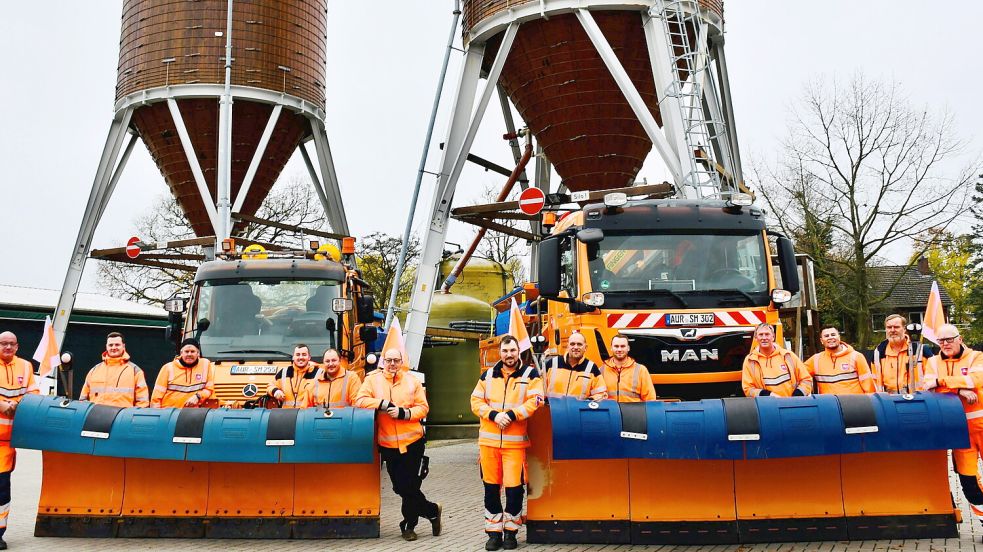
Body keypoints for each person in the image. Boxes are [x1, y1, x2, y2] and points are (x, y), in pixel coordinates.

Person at [355, 348, 440, 542]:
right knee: (400, 488)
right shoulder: (372, 380)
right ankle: (432, 511)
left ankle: (408, 526)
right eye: (389, 360)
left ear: (402, 362)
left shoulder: (412, 381)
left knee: (409, 485)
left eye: (396, 360)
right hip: (388, 445)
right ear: (382, 361)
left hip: (413, 443)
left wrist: (405, 414)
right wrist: (382, 404)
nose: (392, 364)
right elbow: (359, 400)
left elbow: (423, 408)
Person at [470, 336, 544, 551]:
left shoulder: (531, 375)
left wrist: (511, 414)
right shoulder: (488, 375)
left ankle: (511, 532)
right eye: (505, 351)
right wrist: (494, 415)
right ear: (500, 353)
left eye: (512, 350)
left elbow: (536, 400)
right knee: (490, 490)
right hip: (489, 444)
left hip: (514, 445)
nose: (509, 355)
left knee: (514, 491)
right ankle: (493, 533)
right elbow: (475, 401)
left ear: (518, 351)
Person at [921, 324, 983, 522]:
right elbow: (927, 387)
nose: (945, 344)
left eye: (949, 339)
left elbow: (975, 380)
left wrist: (941, 382)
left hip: (981, 425)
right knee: (968, 480)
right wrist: (958, 390)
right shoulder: (932, 361)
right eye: (941, 341)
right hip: (959, 432)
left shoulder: (976, 357)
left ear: (960, 338)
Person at [0, 332, 38, 549]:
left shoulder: (25, 366)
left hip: (6, 443)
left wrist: (17, 406)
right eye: (3, 343)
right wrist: (3, 406)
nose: (7, 347)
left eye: (11, 344)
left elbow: (33, 393)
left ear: (17, 346)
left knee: (2, 490)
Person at [79, 332, 149, 407]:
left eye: (117, 345)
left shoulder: (135, 371)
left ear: (123, 346)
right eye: (110, 345)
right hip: (96, 417)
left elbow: (143, 403)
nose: (113, 348)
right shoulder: (94, 370)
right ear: (106, 347)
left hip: (123, 418)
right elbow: (83, 400)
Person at [742, 323, 813, 397]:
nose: (764, 338)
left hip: (792, 405)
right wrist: (767, 395)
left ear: (773, 337)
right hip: (767, 406)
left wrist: (797, 395)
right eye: (761, 335)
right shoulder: (750, 361)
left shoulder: (788, 356)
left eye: (767, 334)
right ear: (756, 338)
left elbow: (806, 380)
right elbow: (748, 389)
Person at [872, 314, 933, 393]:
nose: (892, 330)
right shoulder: (879, 353)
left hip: (917, 401)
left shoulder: (920, 351)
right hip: (889, 402)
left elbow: (932, 378)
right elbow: (874, 382)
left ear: (904, 329)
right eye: (889, 327)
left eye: (896, 327)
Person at [806, 326, 875, 395]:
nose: (830, 337)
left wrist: (870, 403)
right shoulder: (815, 360)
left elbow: (868, 384)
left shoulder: (856, 356)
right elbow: (801, 376)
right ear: (821, 341)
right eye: (826, 336)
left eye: (833, 335)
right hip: (828, 404)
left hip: (854, 404)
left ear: (839, 337)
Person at [150, 338, 215, 408]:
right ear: (181, 353)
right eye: (186, 351)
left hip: (194, 414)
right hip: (169, 414)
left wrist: (198, 396)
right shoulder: (168, 368)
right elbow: (156, 397)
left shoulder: (205, 364)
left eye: (192, 351)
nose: (189, 354)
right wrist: (157, 415)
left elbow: (209, 389)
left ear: (198, 353)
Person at [543, 332, 607, 401]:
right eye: (572, 344)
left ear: (585, 347)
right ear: (567, 346)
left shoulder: (592, 368)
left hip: (577, 411)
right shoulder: (552, 364)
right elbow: (540, 389)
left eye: (579, 344)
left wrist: (588, 402)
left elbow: (601, 394)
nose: (576, 347)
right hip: (553, 410)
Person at [600, 334, 657, 402]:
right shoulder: (601, 370)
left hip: (634, 412)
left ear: (628, 348)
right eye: (616, 346)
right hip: (611, 411)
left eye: (623, 346)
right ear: (611, 348)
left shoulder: (641, 370)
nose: (619, 349)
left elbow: (650, 399)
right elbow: (596, 397)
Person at [267, 344, 317, 408]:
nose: (301, 357)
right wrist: (276, 391)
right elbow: (270, 386)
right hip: (286, 415)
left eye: (304, 355)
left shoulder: (318, 373)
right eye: (298, 355)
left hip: (307, 416)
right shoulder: (284, 373)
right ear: (293, 357)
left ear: (309, 357)